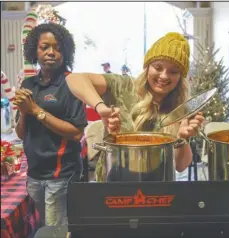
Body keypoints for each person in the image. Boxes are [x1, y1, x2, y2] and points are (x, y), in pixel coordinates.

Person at [65, 32, 205, 181]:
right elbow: (74, 79)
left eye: (173, 71)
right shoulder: (124, 86)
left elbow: (180, 166)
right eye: (158, 67)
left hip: (157, 190)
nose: (164, 76)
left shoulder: (180, 109)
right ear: (147, 67)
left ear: (180, 77)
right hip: (113, 185)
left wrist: (183, 138)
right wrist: (100, 107)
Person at [14, 23, 88, 226]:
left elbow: (75, 133)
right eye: (44, 47)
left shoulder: (72, 84)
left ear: (65, 51)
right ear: (34, 51)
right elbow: (21, 134)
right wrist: (23, 112)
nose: (51, 53)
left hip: (61, 174)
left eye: (57, 48)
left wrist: (36, 111)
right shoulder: (28, 85)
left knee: (54, 231)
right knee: (43, 227)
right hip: (34, 173)